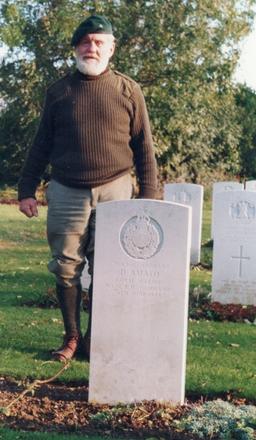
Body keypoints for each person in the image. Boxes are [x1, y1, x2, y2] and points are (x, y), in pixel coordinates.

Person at [18, 15, 158, 362]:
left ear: (111, 48)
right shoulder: (58, 91)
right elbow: (41, 144)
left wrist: (150, 197)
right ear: (76, 47)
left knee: (110, 267)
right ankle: (72, 338)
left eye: (99, 42)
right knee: (66, 267)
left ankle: (97, 338)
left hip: (115, 190)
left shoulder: (129, 90)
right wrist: (26, 189)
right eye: (85, 42)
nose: (91, 47)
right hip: (67, 191)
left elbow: (144, 145)